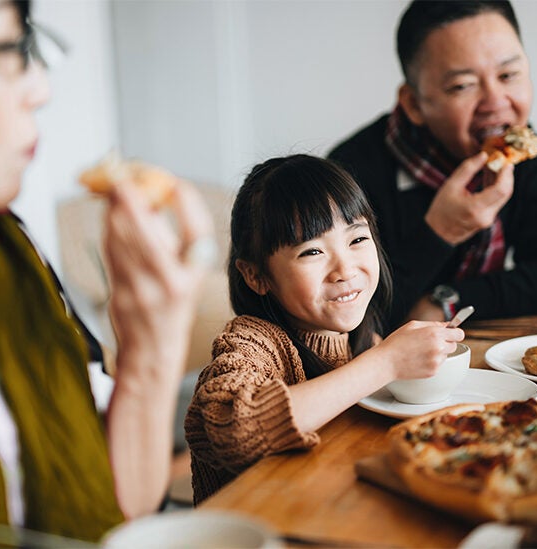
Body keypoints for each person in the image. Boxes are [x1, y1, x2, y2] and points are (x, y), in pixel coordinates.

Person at [0, 0, 213, 545]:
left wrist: (151, 351)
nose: (40, 89)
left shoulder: (6, 265)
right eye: (10, 50)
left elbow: (116, 514)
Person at [184, 154, 463, 503]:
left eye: (357, 240)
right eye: (312, 251)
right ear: (256, 275)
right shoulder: (252, 343)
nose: (344, 269)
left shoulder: (363, 339)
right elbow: (239, 428)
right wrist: (385, 362)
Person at [328, 0, 537, 332]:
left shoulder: (518, 150)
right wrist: (441, 232)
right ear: (413, 103)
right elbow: (346, 318)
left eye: (508, 75)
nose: (496, 102)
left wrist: (446, 301)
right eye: (463, 85)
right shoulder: (349, 173)